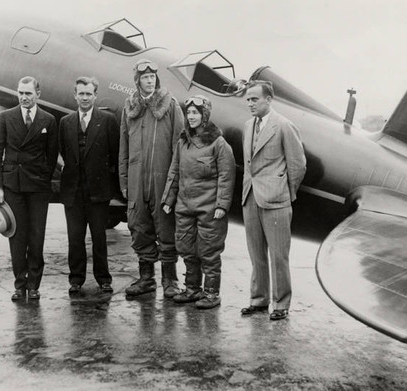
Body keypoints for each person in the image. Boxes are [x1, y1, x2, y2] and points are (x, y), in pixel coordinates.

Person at [241, 80, 306, 320]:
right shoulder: (249, 125)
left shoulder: (284, 126)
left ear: (269, 100)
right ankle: (258, 301)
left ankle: (280, 305)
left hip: (276, 200)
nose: (250, 103)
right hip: (250, 198)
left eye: (254, 99)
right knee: (256, 254)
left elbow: (298, 165)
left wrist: (285, 192)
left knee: (278, 256)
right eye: (248, 99)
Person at [119, 58, 184, 298]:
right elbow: (123, 148)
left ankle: (170, 281)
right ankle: (146, 279)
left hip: (162, 181)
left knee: (166, 229)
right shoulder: (130, 107)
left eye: (152, 77)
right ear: (137, 81)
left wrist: (174, 184)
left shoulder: (171, 106)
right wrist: (125, 181)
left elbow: (180, 146)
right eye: (144, 77)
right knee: (139, 227)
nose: (149, 81)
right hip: (137, 181)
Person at [162, 95, 235, 309]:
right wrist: (169, 199)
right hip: (184, 206)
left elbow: (226, 176)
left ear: (205, 116)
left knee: (209, 251)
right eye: (189, 112)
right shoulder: (183, 141)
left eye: (196, 112)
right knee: (186, 248)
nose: (191, 116)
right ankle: (192, 289)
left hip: (209, 208)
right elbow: (174, 171)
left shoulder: (219, 144)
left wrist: (221, 205)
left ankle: (211, 293)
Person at [0, 76, 58, 301]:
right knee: (17, 237)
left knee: (37, 237)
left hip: (38, 187)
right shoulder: (6, 118)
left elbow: (51, 155)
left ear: (38, 94)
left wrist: (44, 178)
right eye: (20, 92)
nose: (23, 97)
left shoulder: (48, 120)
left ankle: (34, 285)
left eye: (28, 93)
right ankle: (20, 284)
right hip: (13, 186)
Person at [58, 76, 119, 295]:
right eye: (81, 93)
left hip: (98, 192)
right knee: (75, 238)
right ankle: (76, 279)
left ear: (95, 95)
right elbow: (64, 152)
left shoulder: (108, 120)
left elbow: (114, 154)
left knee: (99, 238)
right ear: (75, 95)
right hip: (73, 192)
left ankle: (103, 279)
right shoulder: (65, 123)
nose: (85, 98)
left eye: (89, 93)